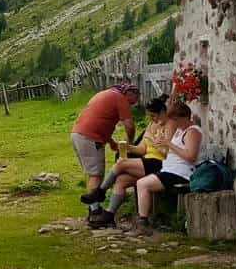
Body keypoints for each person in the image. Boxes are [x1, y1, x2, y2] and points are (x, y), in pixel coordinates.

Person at [86, 96, 170, 221]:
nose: (152, 119)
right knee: (121, 180)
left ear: (163, 112)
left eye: (154, 116)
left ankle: (100, 192)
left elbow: (167, 150)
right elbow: (142, 149)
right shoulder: (152, 125)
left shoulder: (170, 125)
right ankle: (109, 215)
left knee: (122, 164)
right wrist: (128, 147)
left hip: (161, 162)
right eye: (150, 116)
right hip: (148, 161)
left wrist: (156, 142)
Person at [71, 83, 139, 227]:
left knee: (94, 174)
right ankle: (95, 212)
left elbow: (99, 120)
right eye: (134, 99)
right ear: (130, 93)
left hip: (79, 134)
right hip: (90, 137)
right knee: (95, 175)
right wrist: (130, 143)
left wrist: (111, 141)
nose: (133, 103)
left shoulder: (106, 94)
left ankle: (95, 208)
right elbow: (129, 125)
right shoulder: (120, 98)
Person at [132, 100, 202, 230]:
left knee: (142, 183)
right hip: (171, 170)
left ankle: (143, 222)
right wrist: (162, 145)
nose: (173, 123)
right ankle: (146, 219)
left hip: (182, 173)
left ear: (183, 118)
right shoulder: (181, 130)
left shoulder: (192, 132)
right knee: (141, 182)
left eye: (175, 120)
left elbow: (191, 157)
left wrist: (169, 144)